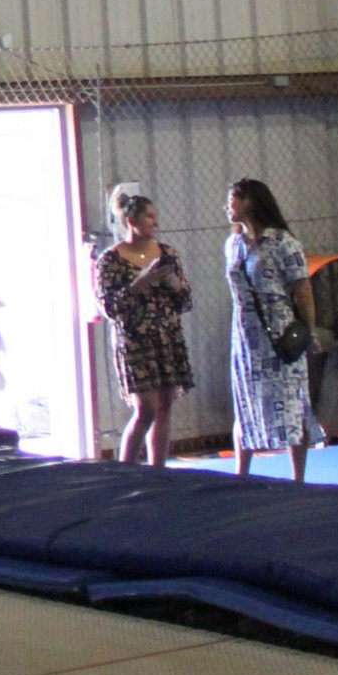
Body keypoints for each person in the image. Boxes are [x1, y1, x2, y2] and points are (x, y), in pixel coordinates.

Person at [225, 177, 319, 481]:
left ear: (250, 202)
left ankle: (298, 477)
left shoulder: (282, 242)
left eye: (233, 199)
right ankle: (241, 473)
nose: (228, 206)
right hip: (244, 334)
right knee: (245, 399)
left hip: (278, 330)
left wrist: (309, 330)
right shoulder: (233, 244)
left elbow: (302, 290)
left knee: (291, 399)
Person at [94, 187, 193, 467]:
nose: (155, 222)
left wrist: (175, 285)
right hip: (135, 340)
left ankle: (158, 470)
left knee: (165, 407)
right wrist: (139, 284)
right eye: (149, 217)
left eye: (155, 216)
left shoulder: (167, 254)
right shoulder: (110, 261)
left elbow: (186, 301)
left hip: (167, 336)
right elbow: (109, 308)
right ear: (131, 222)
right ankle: (125, 470)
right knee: (145, 409)